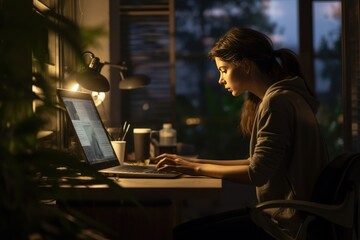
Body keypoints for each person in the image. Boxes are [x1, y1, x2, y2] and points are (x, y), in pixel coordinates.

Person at [155, 27, 329, 240]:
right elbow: (254, 162)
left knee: (184, 233)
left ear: (245, 65)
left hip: (287, 225)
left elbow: (257, 173)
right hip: (292, 217)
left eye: (223, 70)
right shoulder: (287, 95)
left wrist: (196, 168)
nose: (220, 79)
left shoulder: (277, 102)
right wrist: (188, 164)